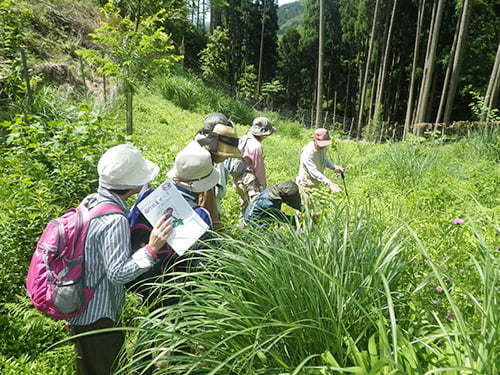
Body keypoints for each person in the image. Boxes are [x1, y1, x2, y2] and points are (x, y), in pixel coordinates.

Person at [69, 144, 173, 375]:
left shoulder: (91, 201)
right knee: (109, 367)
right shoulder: (115, 219)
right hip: (99, 315)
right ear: (130, 186)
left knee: (87, 363)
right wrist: (152, 247)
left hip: (79, 304)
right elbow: (118, 273)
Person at [194, 116, 241, 230]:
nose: (226, 158)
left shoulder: (201, 142)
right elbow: (207, 201)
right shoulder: (207, 159)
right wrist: (216, 226)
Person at [231, 116, 275, 218]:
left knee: (244, 204)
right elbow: (259, 170)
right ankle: (251, 229)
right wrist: (264, 186)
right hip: (249, 181)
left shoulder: (243, 138)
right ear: (264, 134)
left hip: (237, 178)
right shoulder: (256, 146)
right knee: (255, 208)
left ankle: (241, 227)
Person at [296, 128, 345, 207]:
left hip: (315, 183)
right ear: (314, 140)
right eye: (322, 143)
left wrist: (334, 167)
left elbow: (324, 160)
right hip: (305, 184)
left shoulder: (323, 147)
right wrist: (329, 183)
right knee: (304, 209)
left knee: (313, 208)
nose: (324, 146)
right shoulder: (307, 152)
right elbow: (313, 172)